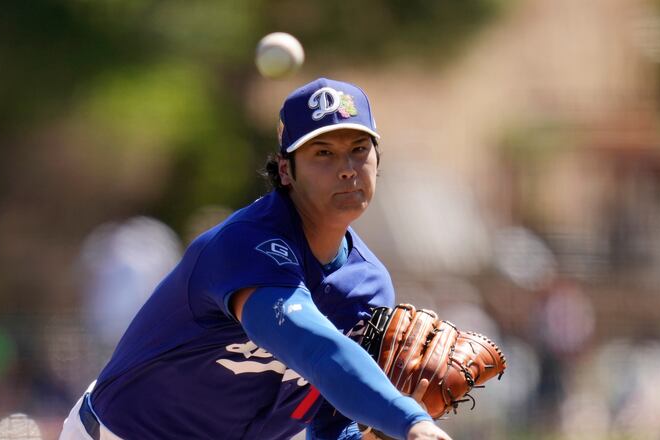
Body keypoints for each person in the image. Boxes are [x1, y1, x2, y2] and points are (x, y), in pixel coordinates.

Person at [59, 78, 453, 440]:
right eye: (323, 153)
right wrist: (408, 418)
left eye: (358, 150)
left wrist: (379, 433)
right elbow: (312, 346)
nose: (347, 170)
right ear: (286, 171)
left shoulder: (369, 285)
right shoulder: (246, 244)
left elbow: (328, 425)